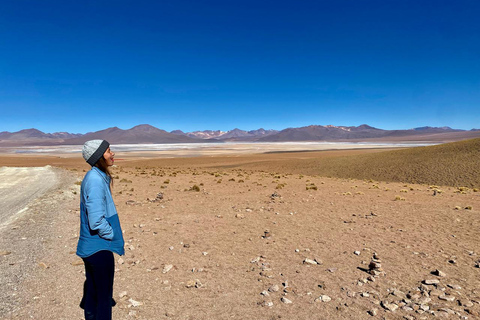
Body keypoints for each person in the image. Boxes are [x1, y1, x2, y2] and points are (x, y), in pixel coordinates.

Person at [76, 140, 125, 320]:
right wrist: (111, 235)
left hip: (92, 248)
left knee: (94, 293)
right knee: (103, 300)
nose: (112, 154)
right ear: (98, 157)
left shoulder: (96, 176)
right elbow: (96, 221)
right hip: (99, 248)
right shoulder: (95, 180)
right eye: (108, 151)